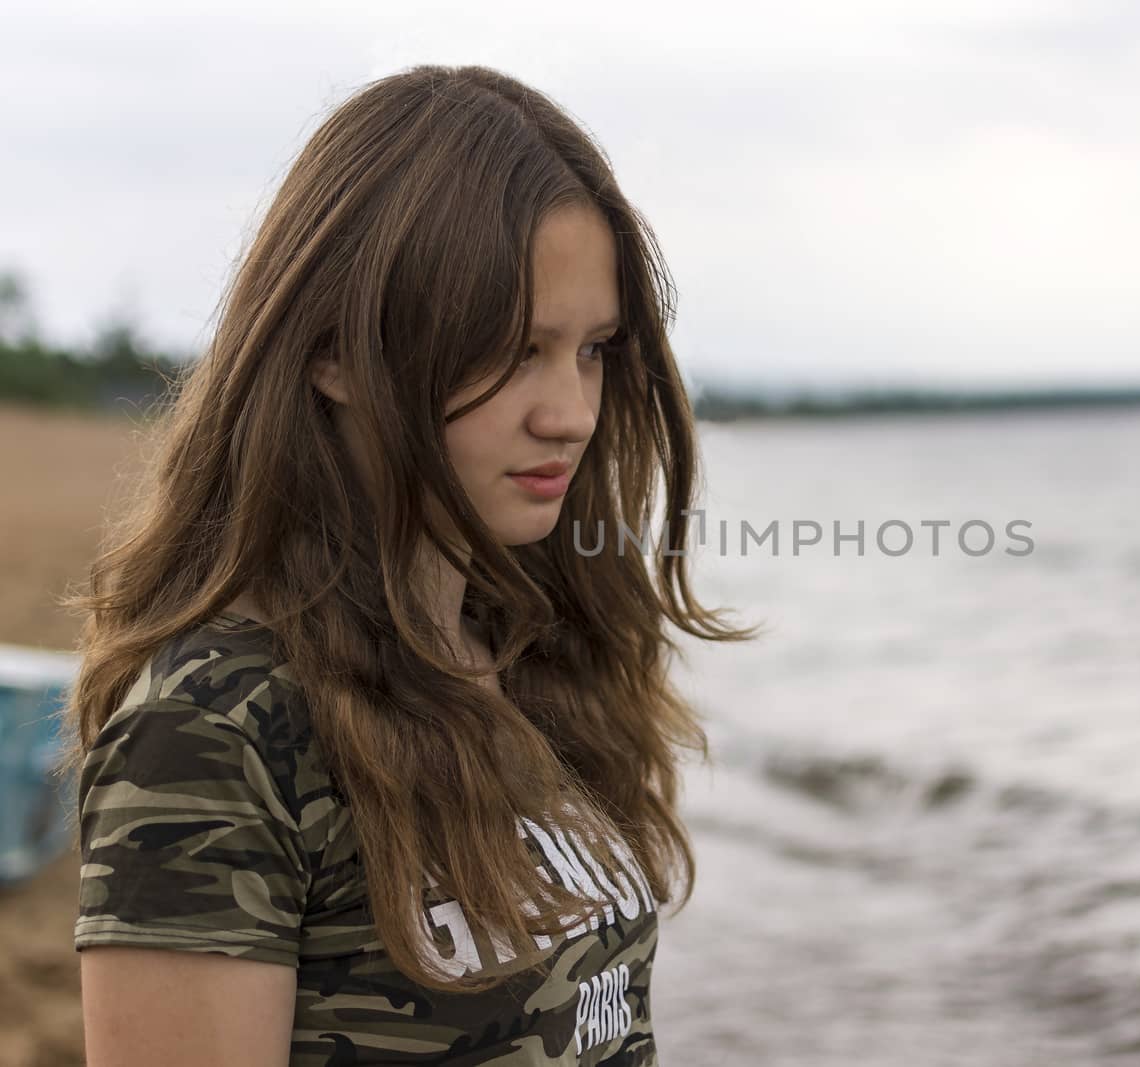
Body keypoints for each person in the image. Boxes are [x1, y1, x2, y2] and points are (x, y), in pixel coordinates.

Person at [57, 64, 751, 1066]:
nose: (570, 412)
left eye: (592, 349)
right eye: (515, 349)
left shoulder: (532, 651)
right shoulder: (216, 728)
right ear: (334, 350)